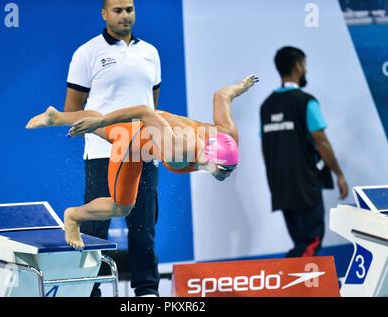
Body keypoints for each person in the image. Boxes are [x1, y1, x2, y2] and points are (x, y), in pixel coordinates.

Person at [27, 75, 258, 250]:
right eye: (224, 169)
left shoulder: (228, 136)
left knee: (99, 124)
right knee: (121, 206)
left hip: (153, 132)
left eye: (232, 168)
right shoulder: (178, 150)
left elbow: (221, 95)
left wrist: (241, 87)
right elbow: (143, 111)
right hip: (132, 144)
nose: (228, 174)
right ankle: (73, 216)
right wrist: (100, 124)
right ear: (208, 156)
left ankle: (56, 117)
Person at [64, 0, 161, 297]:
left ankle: (146, 292)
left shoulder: (151, 53)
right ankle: (89, 291)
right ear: (104, 14)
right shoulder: (87, 52)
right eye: (118, 10)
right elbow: (72, 110)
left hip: (143, 152)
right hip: (102, 154)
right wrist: (102, 138)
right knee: (95, 230)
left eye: (129, 9)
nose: (125, 15)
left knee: (144, 229)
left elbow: (151, 106)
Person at [260, 46, 349, 257]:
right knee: (311, 241)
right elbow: (322, 142)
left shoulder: (266, 106)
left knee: (301, 240)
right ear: (299, 66)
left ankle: (301, 284)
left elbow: (266, 149)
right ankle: (297, 284)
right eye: (305, 65)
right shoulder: (306, 101)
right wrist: (339, 175)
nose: (305, 70)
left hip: (280, 187)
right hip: (307, 184)